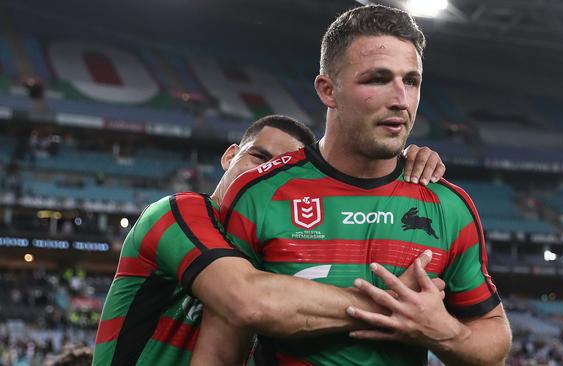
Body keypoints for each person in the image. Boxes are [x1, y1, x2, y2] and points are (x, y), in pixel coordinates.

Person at [216, 5, 511, 365]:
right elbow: (220, 345)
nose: (401, 100)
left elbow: (493, 340)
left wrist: (443, 332)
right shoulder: (258, 194)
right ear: (328, 90)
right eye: (377, 79)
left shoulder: (448, 205)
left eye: (412, 81)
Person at [92, 114, 446, 366]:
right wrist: (396, 308)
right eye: (259, 157)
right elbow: (246, 299)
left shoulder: (283, 249)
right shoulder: (177, 212)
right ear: (230, 156)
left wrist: (401, 168)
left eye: (280, 170)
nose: (263, 176)